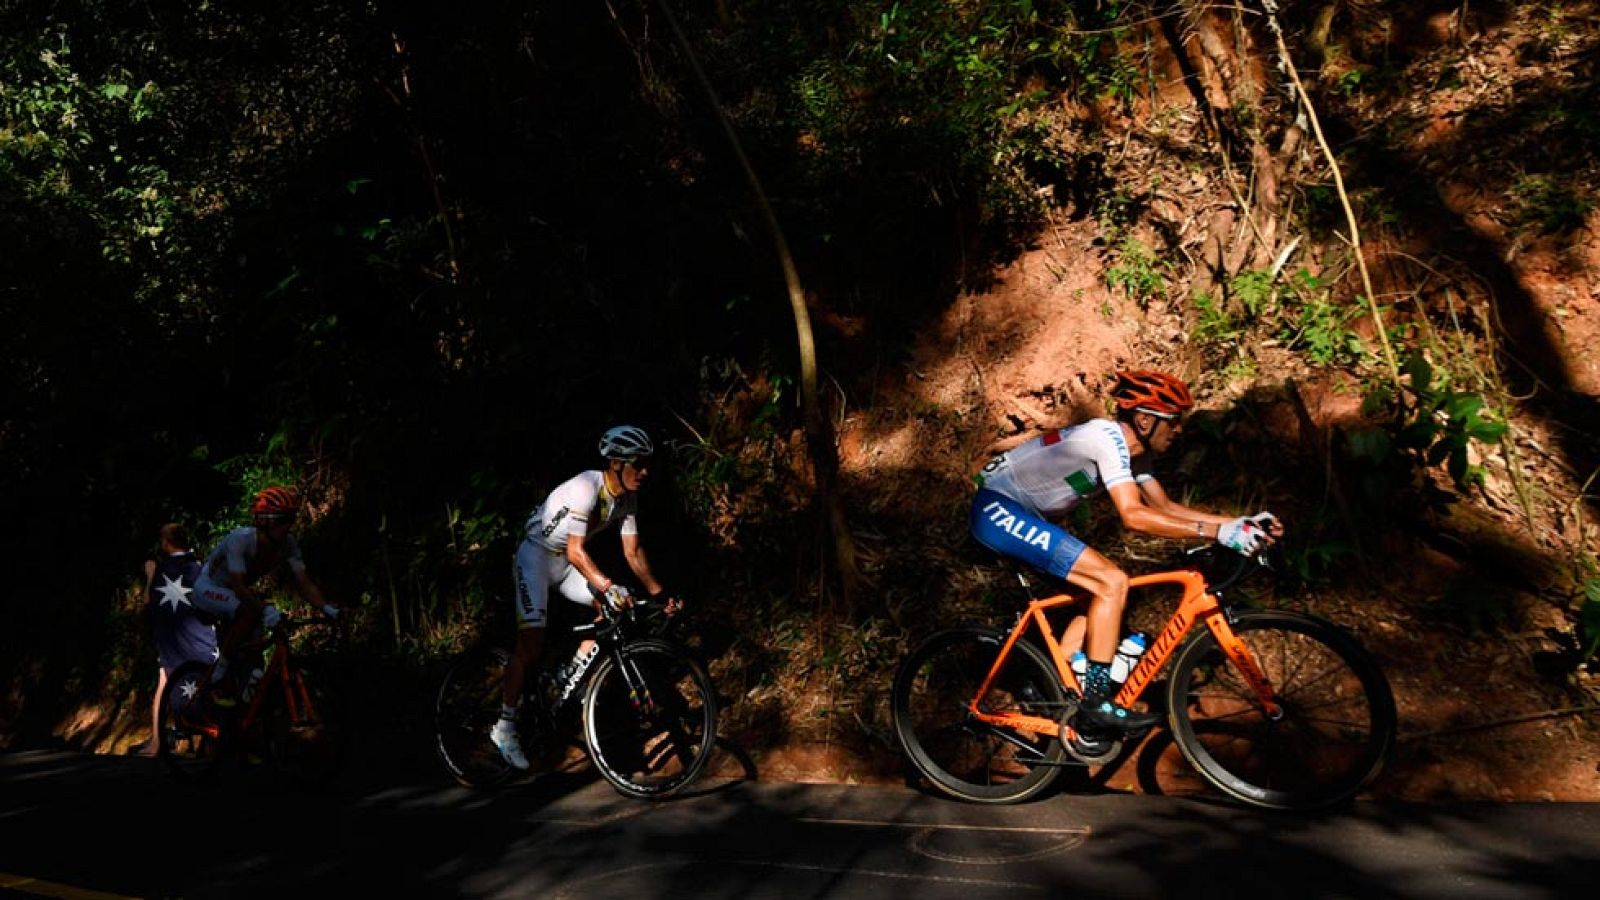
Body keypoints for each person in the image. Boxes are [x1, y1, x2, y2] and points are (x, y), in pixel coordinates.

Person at [970, 370, 1283, 738]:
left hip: (1025, 515)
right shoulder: (1106, 439)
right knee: (1111, 582)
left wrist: (1236, 523)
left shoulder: (1136, 455)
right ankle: (1097, 705)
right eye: (1175, 421)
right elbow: (1133, 516)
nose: (1180, 429)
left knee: (1097, 594)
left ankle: (1056, 688)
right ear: (1146, 420)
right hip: (997, 509)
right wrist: (1218, 532)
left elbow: (1165, 507)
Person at [491, 425, 679, 770]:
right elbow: (579, 552)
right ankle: (504, 727)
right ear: (615, 463)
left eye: (647, 464)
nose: (644, 471)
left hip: (563, 562)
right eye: (637, 464)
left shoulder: (627, 498)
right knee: (531, 644)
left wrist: (660, 594)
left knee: (609, 612)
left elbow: (633, 552)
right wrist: (608, 585)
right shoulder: (585, 488)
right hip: (536, 558)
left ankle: (569, 675)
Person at [191, 486, 341, 698]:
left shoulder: (287, 543)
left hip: (233, 592)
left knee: (257, 637)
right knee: (250, 611)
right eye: (283, 520)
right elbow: (239, 587)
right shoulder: (240, 540)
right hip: (209, 588)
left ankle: (246, 690)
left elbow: (304, 582)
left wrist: (325, 607)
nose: (289, 526)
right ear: (263, 521)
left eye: (291, 519)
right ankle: (220, 670)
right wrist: (265, 610)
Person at [132, 523, 217, 756]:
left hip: (174, 645)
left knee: (164, 682)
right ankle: (207, 743)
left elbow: (148, 600)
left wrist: (150, 575)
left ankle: (158, 742)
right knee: (208, 682)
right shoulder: (198, 567)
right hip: (201, 639)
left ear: (166, 543)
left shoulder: (161, 571)